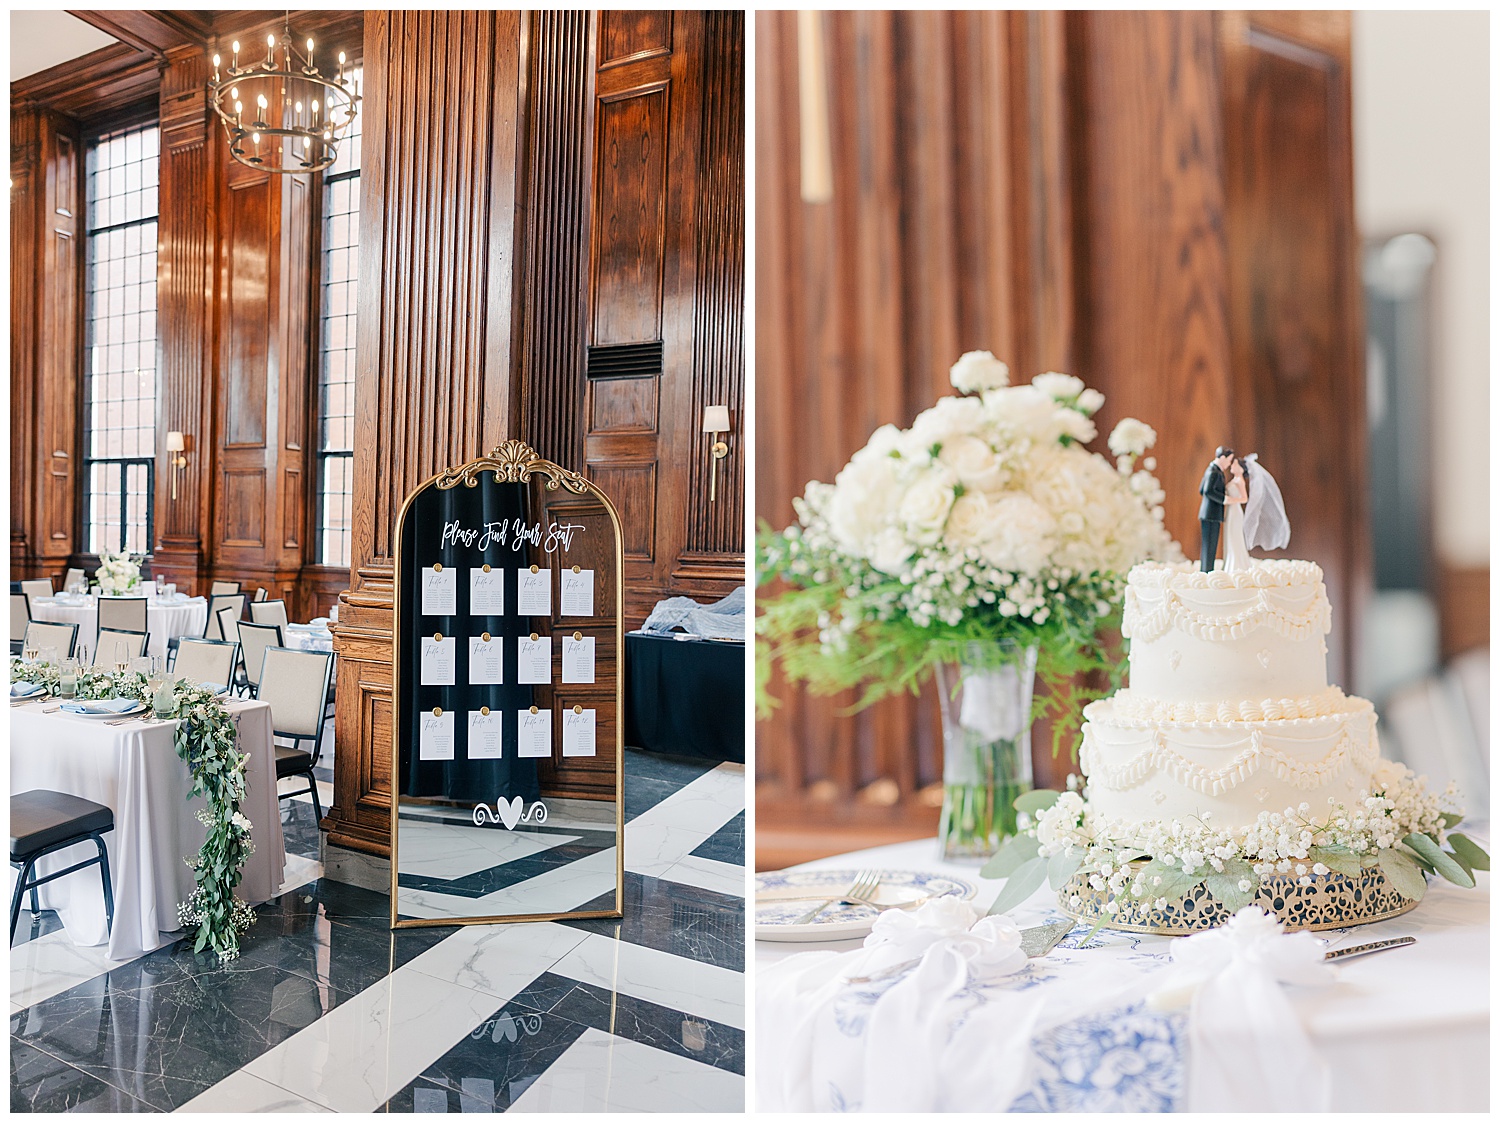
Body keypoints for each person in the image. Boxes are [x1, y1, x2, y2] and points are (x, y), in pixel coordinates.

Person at [1197, 446, 1234, 572]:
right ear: (1222, 458)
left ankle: (1206, 569)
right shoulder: (1214, 472)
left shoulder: (1212, 470)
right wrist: (1224, 499)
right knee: (1210, 545)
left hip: (1208, 513)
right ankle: (1207, 571)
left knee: (1209, 545)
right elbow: (1207, 491)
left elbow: (1201, 489)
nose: (1229, 464)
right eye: (1229, 460)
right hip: (1211, 514)